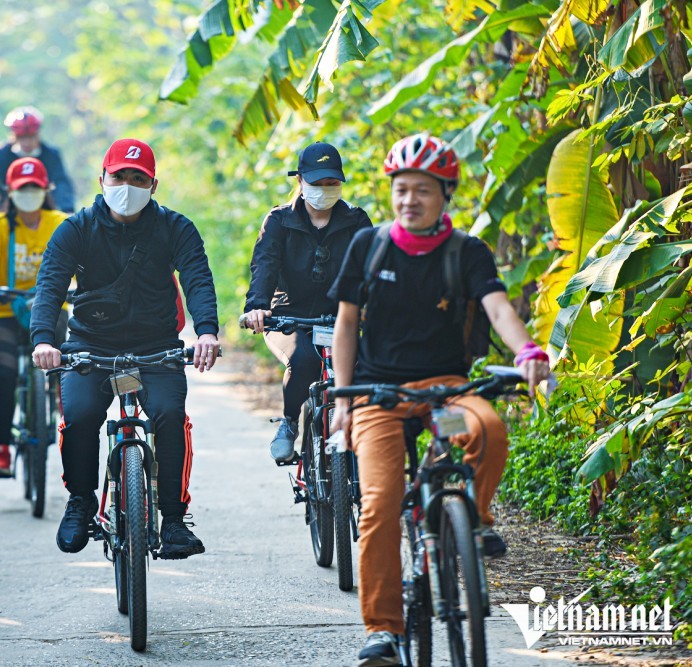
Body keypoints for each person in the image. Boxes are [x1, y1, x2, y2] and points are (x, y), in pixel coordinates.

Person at [327, 133, 551, 666]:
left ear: (444, 194)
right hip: (379, 394)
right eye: (401, 189)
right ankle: (383, 629)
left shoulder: (466, 251)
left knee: (488, 428)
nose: (410, 200)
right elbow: (347, 323)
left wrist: (528, 353)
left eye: (422, 190)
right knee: (379, 505)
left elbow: (498, 309)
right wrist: (341, 399)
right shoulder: (369, 246)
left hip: (447, 392)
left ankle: (476, 517)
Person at [30, 138, 220, 560]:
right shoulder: (75, 229)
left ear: (153, 185)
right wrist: (44, 339)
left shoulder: (176, 228)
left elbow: (198, 280)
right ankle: (80, 501)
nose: (128, 186)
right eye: (120, 176)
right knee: (78, 418)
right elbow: (50, 286)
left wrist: (206, 331)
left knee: (171, 417)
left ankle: (172, 518)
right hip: (89, 347)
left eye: (139, 179)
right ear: (102, 179)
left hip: (156, 346)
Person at [240, 142, 372, 462]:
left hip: (342, 316)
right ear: (300, 181)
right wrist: (258, 306)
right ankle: (288, 422)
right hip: (288, 316)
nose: (325, 191)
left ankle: (363, 440)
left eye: (332, 184)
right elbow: (265, 266)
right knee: (304, 360)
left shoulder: (356, 221)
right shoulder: (279, 221)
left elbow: (373, 268)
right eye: (317, 184)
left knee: (364, 367)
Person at [0, 157, 69, 479]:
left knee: (64, 369)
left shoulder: (61, 222)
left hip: (52, 307)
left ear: (45, 190)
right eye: (22, 187)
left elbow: (79, 259)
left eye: (34, 187)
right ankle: (1, 450)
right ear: (10, 191)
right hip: (7, 307)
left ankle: (68, 419)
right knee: (7, 374)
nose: (28, 192)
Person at [0, 106, 76, 222]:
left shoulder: (50, 154)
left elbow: (61, 182)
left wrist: (67, 208)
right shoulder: (0, 154)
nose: (27, 142)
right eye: (21, 138)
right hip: (8, 209)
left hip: (42, 209)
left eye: (31, 137)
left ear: (38, 134)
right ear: (13, 136)